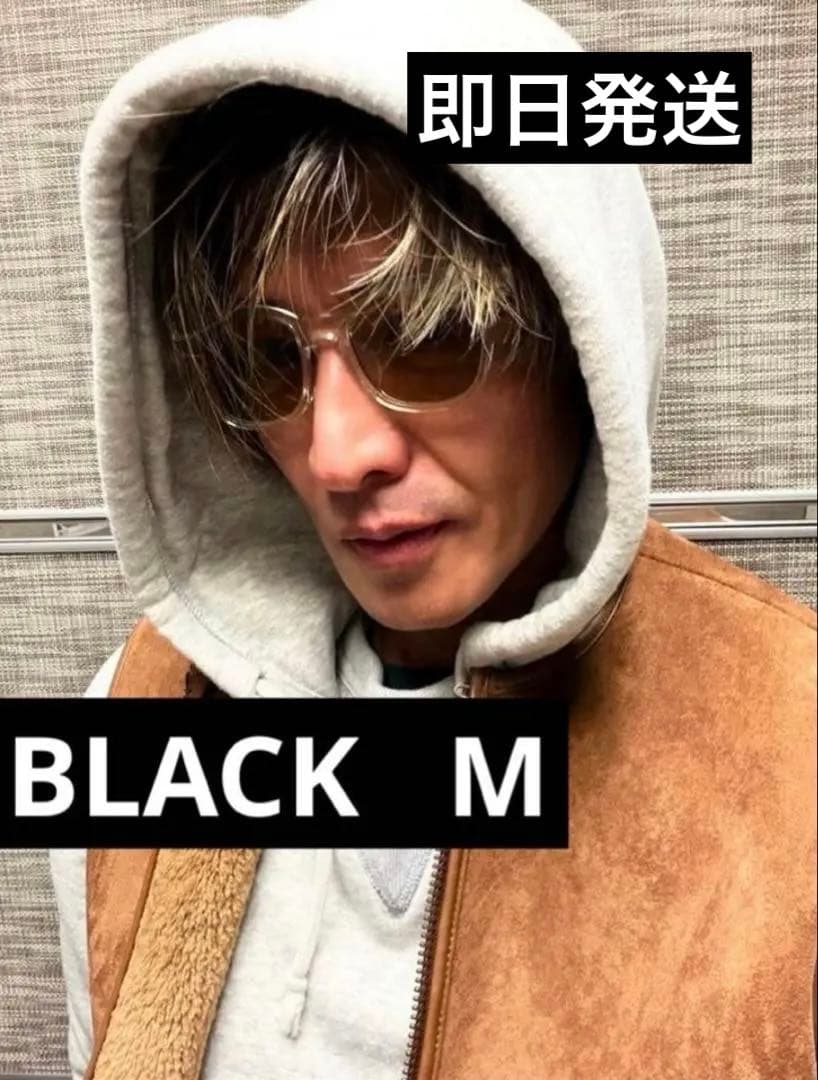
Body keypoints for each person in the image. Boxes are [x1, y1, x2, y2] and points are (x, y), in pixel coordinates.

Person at [48, 0, 816, 1077]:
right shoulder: (137, 710)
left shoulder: (787, 749)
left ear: (579, 342)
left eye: (428, 335)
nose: (338, 453)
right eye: (269, 359)